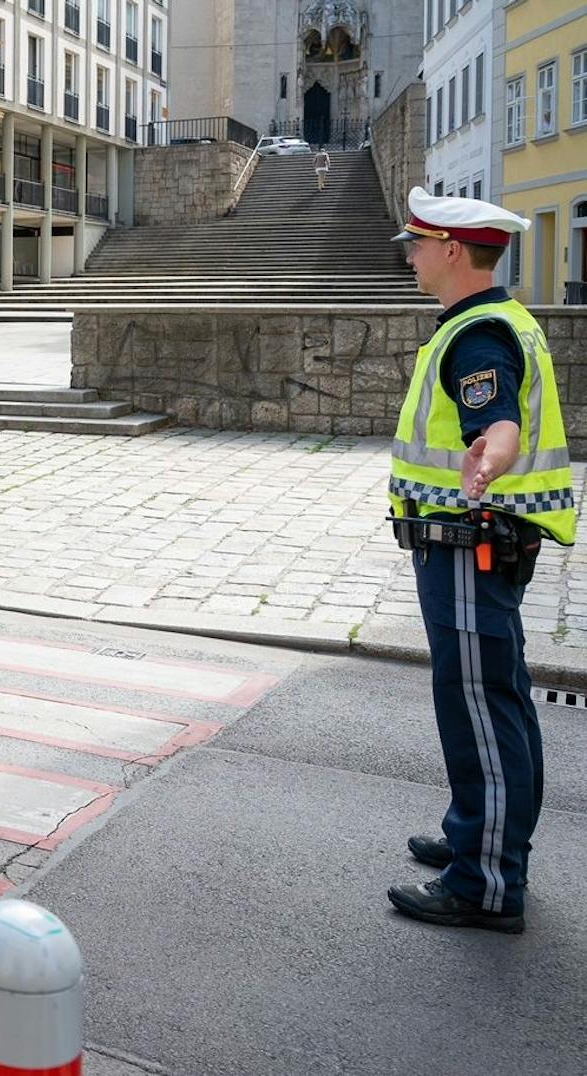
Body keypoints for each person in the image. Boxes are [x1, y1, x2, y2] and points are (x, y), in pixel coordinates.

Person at [384, 187, 575, 934]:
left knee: (480, 711)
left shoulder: (479, 337)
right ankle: (481, 836)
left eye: (419, 243)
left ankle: (487, 881)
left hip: (468, 539)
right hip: (483, 542)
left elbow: (496, 420)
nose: (411, 253)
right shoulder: (497, 320)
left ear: (453, 250)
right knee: (502, 697)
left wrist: (490, 454)